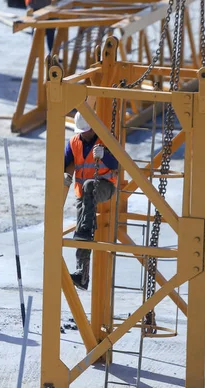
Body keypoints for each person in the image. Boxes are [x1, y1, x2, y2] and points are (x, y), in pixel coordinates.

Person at [64, 112, 118, 290]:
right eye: (82, 131)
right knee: (81, 232)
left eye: (86, 130)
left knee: (84, 229)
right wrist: (64, 174)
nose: (83, 134)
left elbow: (118, 163)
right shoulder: (74, 142)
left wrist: (105, 156)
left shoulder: (105, 139)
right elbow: (63, 162)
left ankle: (86, 230)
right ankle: (82, 274)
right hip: (84, 193)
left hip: (104, 186)